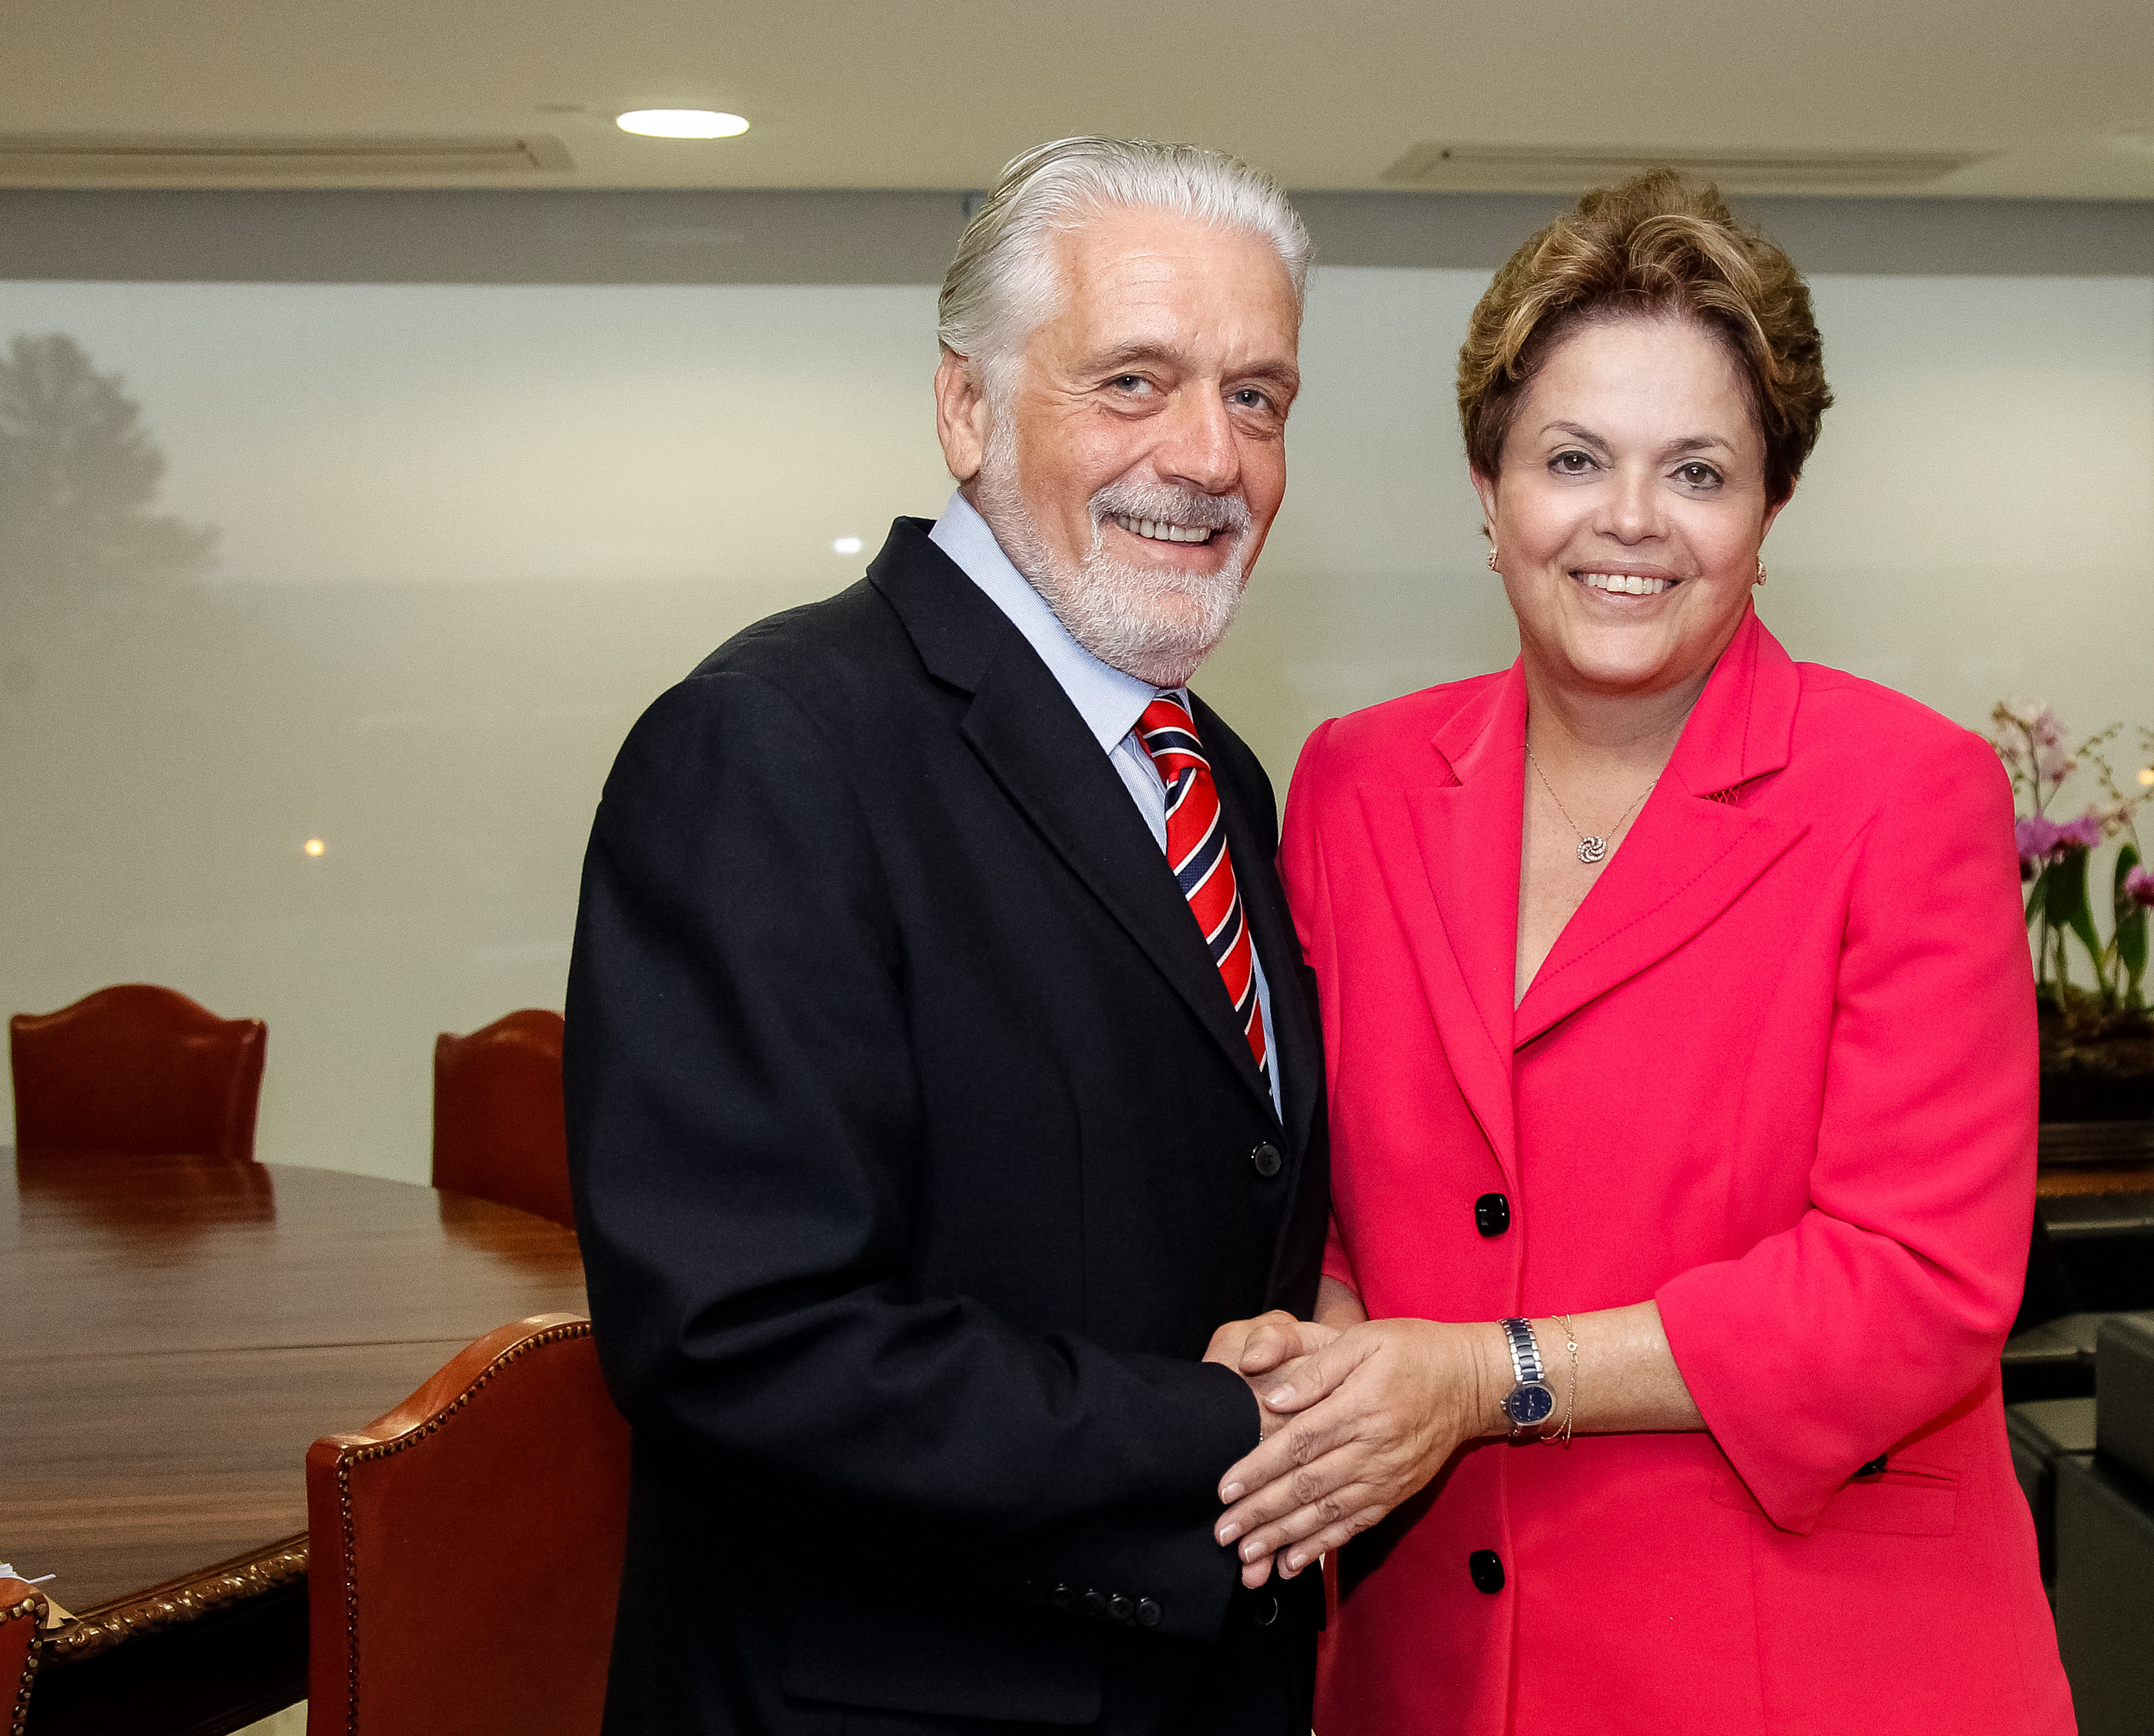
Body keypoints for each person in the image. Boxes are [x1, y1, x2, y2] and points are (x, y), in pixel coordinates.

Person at [1211, 172, 2075, 1732]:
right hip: (1434, 1666)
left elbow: (1915, 1281)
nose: (1629, 520)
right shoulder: (1352, 782)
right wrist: (1324, 1349)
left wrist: (1484, 1377)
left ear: (1770, 508)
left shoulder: (1909, 793)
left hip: (1815, 1662)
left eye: (1697, 470)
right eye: (1571, 459)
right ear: (1487, 489)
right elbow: (1318, 1195)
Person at [565, 137, 1332, 1736]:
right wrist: (1236, 1428)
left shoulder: (1216, 773)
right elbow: (742, 1339)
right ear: (967, 408)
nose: (1207, 454)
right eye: (1134, 379)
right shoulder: (766, 744)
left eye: (1257, 396)